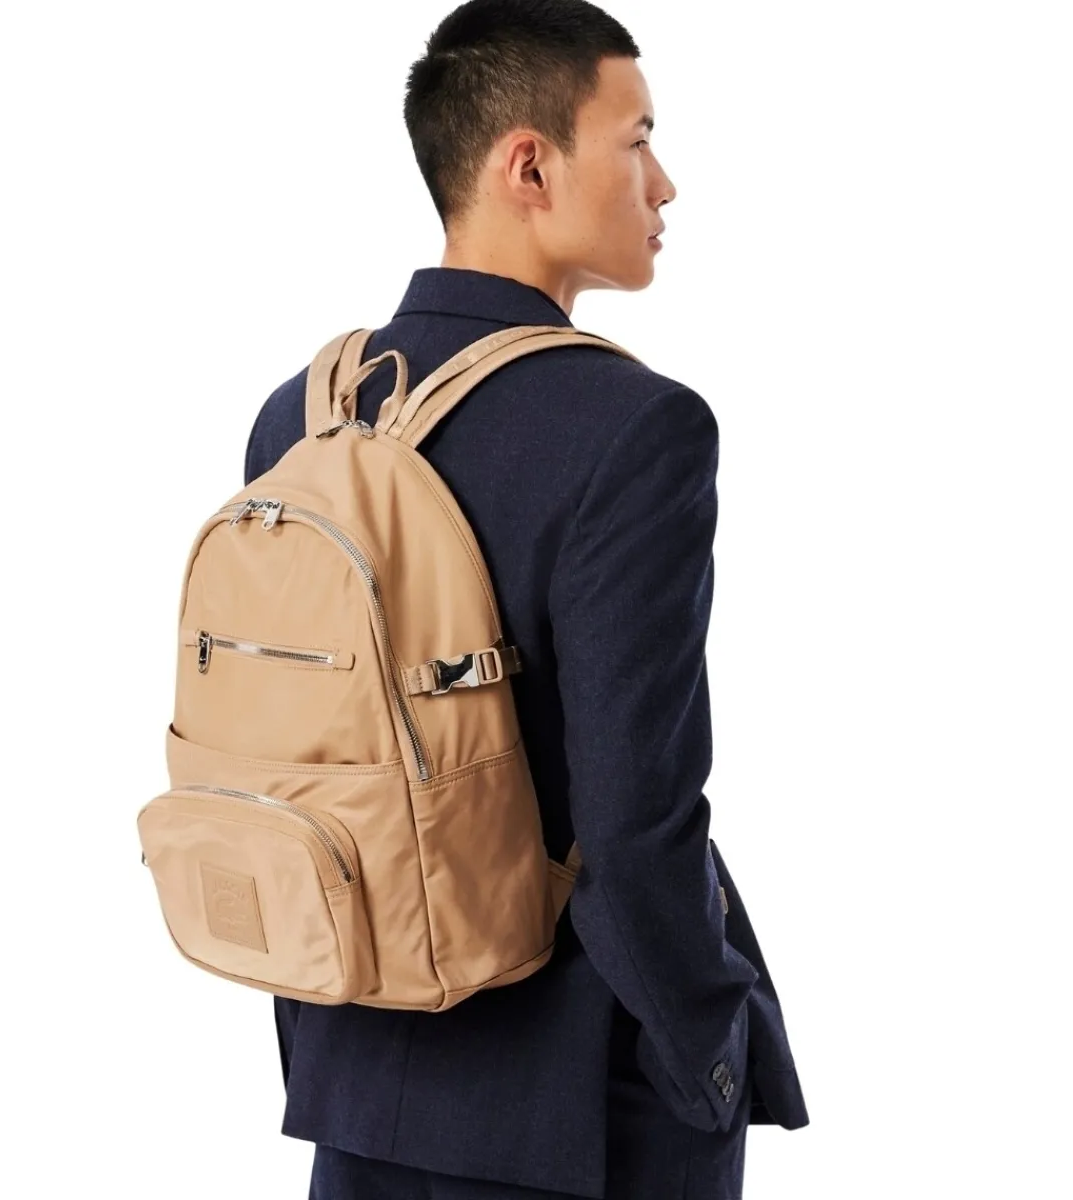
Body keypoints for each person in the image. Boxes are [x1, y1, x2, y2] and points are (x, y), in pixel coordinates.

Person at [243, 2, 808, 1196]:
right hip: (579, 1103)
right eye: (637, 138)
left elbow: (297, 768)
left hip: (356, 1071)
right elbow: (635, 821)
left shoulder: (302, 412)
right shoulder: (635, 427)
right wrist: (713, 1056)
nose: (664, 182)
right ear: (529, 166)